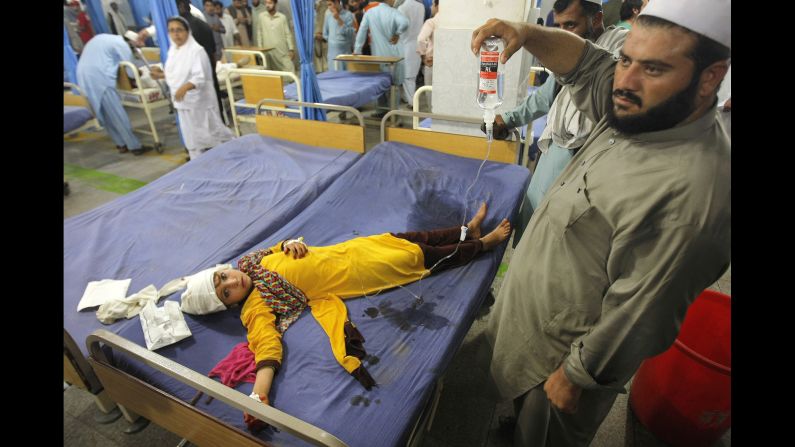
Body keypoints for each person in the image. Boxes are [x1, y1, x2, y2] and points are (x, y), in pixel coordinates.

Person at [469, 0, 730, 444]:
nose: (624, 81)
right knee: (520, 416)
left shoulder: (696, 196)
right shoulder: (646, 108)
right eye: (626, 58)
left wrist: (578, 375)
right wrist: (526, 33)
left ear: (711, 78)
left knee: (545, 433)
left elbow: (643, 311)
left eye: (653, 68)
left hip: (564, 358)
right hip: (537, 321)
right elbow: (588, 65)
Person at [179, 203, 512, 430]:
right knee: (422, 257)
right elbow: (265, 346)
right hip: (358, 272)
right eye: (226, 293)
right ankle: (482, 244)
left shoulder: (250, 263)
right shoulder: (256, 307)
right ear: (230, 304)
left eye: (222, 278)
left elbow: (278, 248)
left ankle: (466, 230)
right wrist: (259, 395)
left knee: (408, 238)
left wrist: (290, 244)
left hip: (352, 249)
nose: (231, 283)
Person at [482, 0, 627, 244]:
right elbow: (546, 95)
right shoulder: (567, 57)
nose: (563, 33)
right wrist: (507, 118)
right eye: (558, 25)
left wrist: (527, 33)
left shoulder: (620, 45)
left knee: (560, 239)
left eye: (571, 25)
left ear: (597, 19)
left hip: (586, 157)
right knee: (530, 225)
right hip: (554, 150)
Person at [150, 16, 234, 160]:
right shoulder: (174, 51)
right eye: (172, 31)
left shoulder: (196, 51)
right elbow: (177, 74)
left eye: (179, 30)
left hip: (200, 102)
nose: (176, 34)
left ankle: (229, 158)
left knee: (212, 133)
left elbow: (199, 77)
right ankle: (197, 164)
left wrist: (185, 87)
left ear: (187, 31)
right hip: (183, 103)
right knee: (192, 138)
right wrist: (162, 75)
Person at [76, 34, 153, 155]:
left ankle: (121, 144)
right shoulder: (122, 45)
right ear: (131, 43)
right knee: (116, 113)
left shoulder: (104, 37)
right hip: (100, 77)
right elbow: (131, 72)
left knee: (105, 114)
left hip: (83, 75)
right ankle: (135, 146)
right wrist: (141, 73)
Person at [354, 0, 408, 116]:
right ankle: (393, 112)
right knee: (394, 85)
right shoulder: (393, 12)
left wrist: (357, 50)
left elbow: (361, 32)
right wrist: (397, 33)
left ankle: (381, 111)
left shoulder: (369, 13)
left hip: (378, 56)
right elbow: (405, 23)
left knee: (380, 84)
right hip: (394, 55)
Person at [255, 0, 295, 74]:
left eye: (270, 3)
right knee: (272, 74)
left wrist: (291, 49)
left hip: (281, 51)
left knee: (289, 74)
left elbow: (287, 34)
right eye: (266, 3)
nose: (267, 5)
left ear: (275, 4)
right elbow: (259, 34)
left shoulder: (282, 17)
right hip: (268, 52)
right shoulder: (261, 16)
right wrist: (260, 49)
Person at [397, 0, 425, 102]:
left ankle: (412, 102)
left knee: (407, 77)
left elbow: (400, 29)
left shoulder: (401, 8)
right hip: (417, 44)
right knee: (412, 76)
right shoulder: (421, 7)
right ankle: (409, 99)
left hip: (405, 45)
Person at [323, 0, 355, 71]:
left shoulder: (348, 14)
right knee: (334, 78)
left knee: (346, 77)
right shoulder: (328, 15)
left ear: (337, 3)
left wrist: (339, 19)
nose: (329, 8)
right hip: (332, 54)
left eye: (330, 5)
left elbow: (351, 33)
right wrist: (333, 42)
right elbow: (325, 33)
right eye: (328, 5)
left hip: (345, 53)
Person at [416, 0, 438, 88]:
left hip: (431, 62)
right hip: (446, 63)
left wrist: (423, 56)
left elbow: (420, 39)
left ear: (438, 6)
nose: (430, 7)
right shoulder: (450, 21)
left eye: (432, 5)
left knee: (430, 93)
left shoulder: (431, 22)